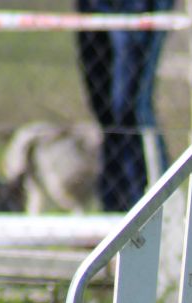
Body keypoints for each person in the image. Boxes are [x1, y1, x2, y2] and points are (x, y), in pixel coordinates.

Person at [76, 0, 174, 212]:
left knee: (129, 109)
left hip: (138, 7)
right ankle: (113, 209)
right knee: (104, 111)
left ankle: (155, 207)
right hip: (93, 6)